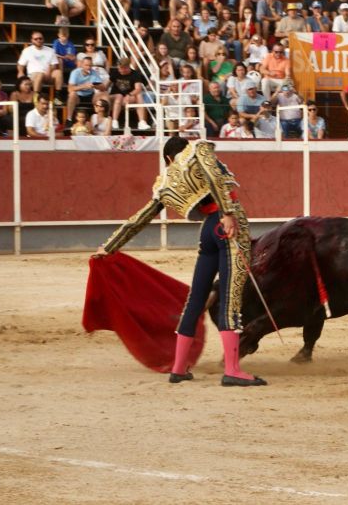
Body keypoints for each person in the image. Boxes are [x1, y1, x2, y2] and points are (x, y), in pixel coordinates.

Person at [94, 136, 265, 387]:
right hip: (227, 226)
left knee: (195, 300)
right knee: (230, 299)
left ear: (168, 159)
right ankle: (232, 370)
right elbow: (214, 176)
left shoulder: (165, 182)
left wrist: (109, 247)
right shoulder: (199, 149)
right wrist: (227, 213)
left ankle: (179, 368)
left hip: (207, 230)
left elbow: (141, 217)